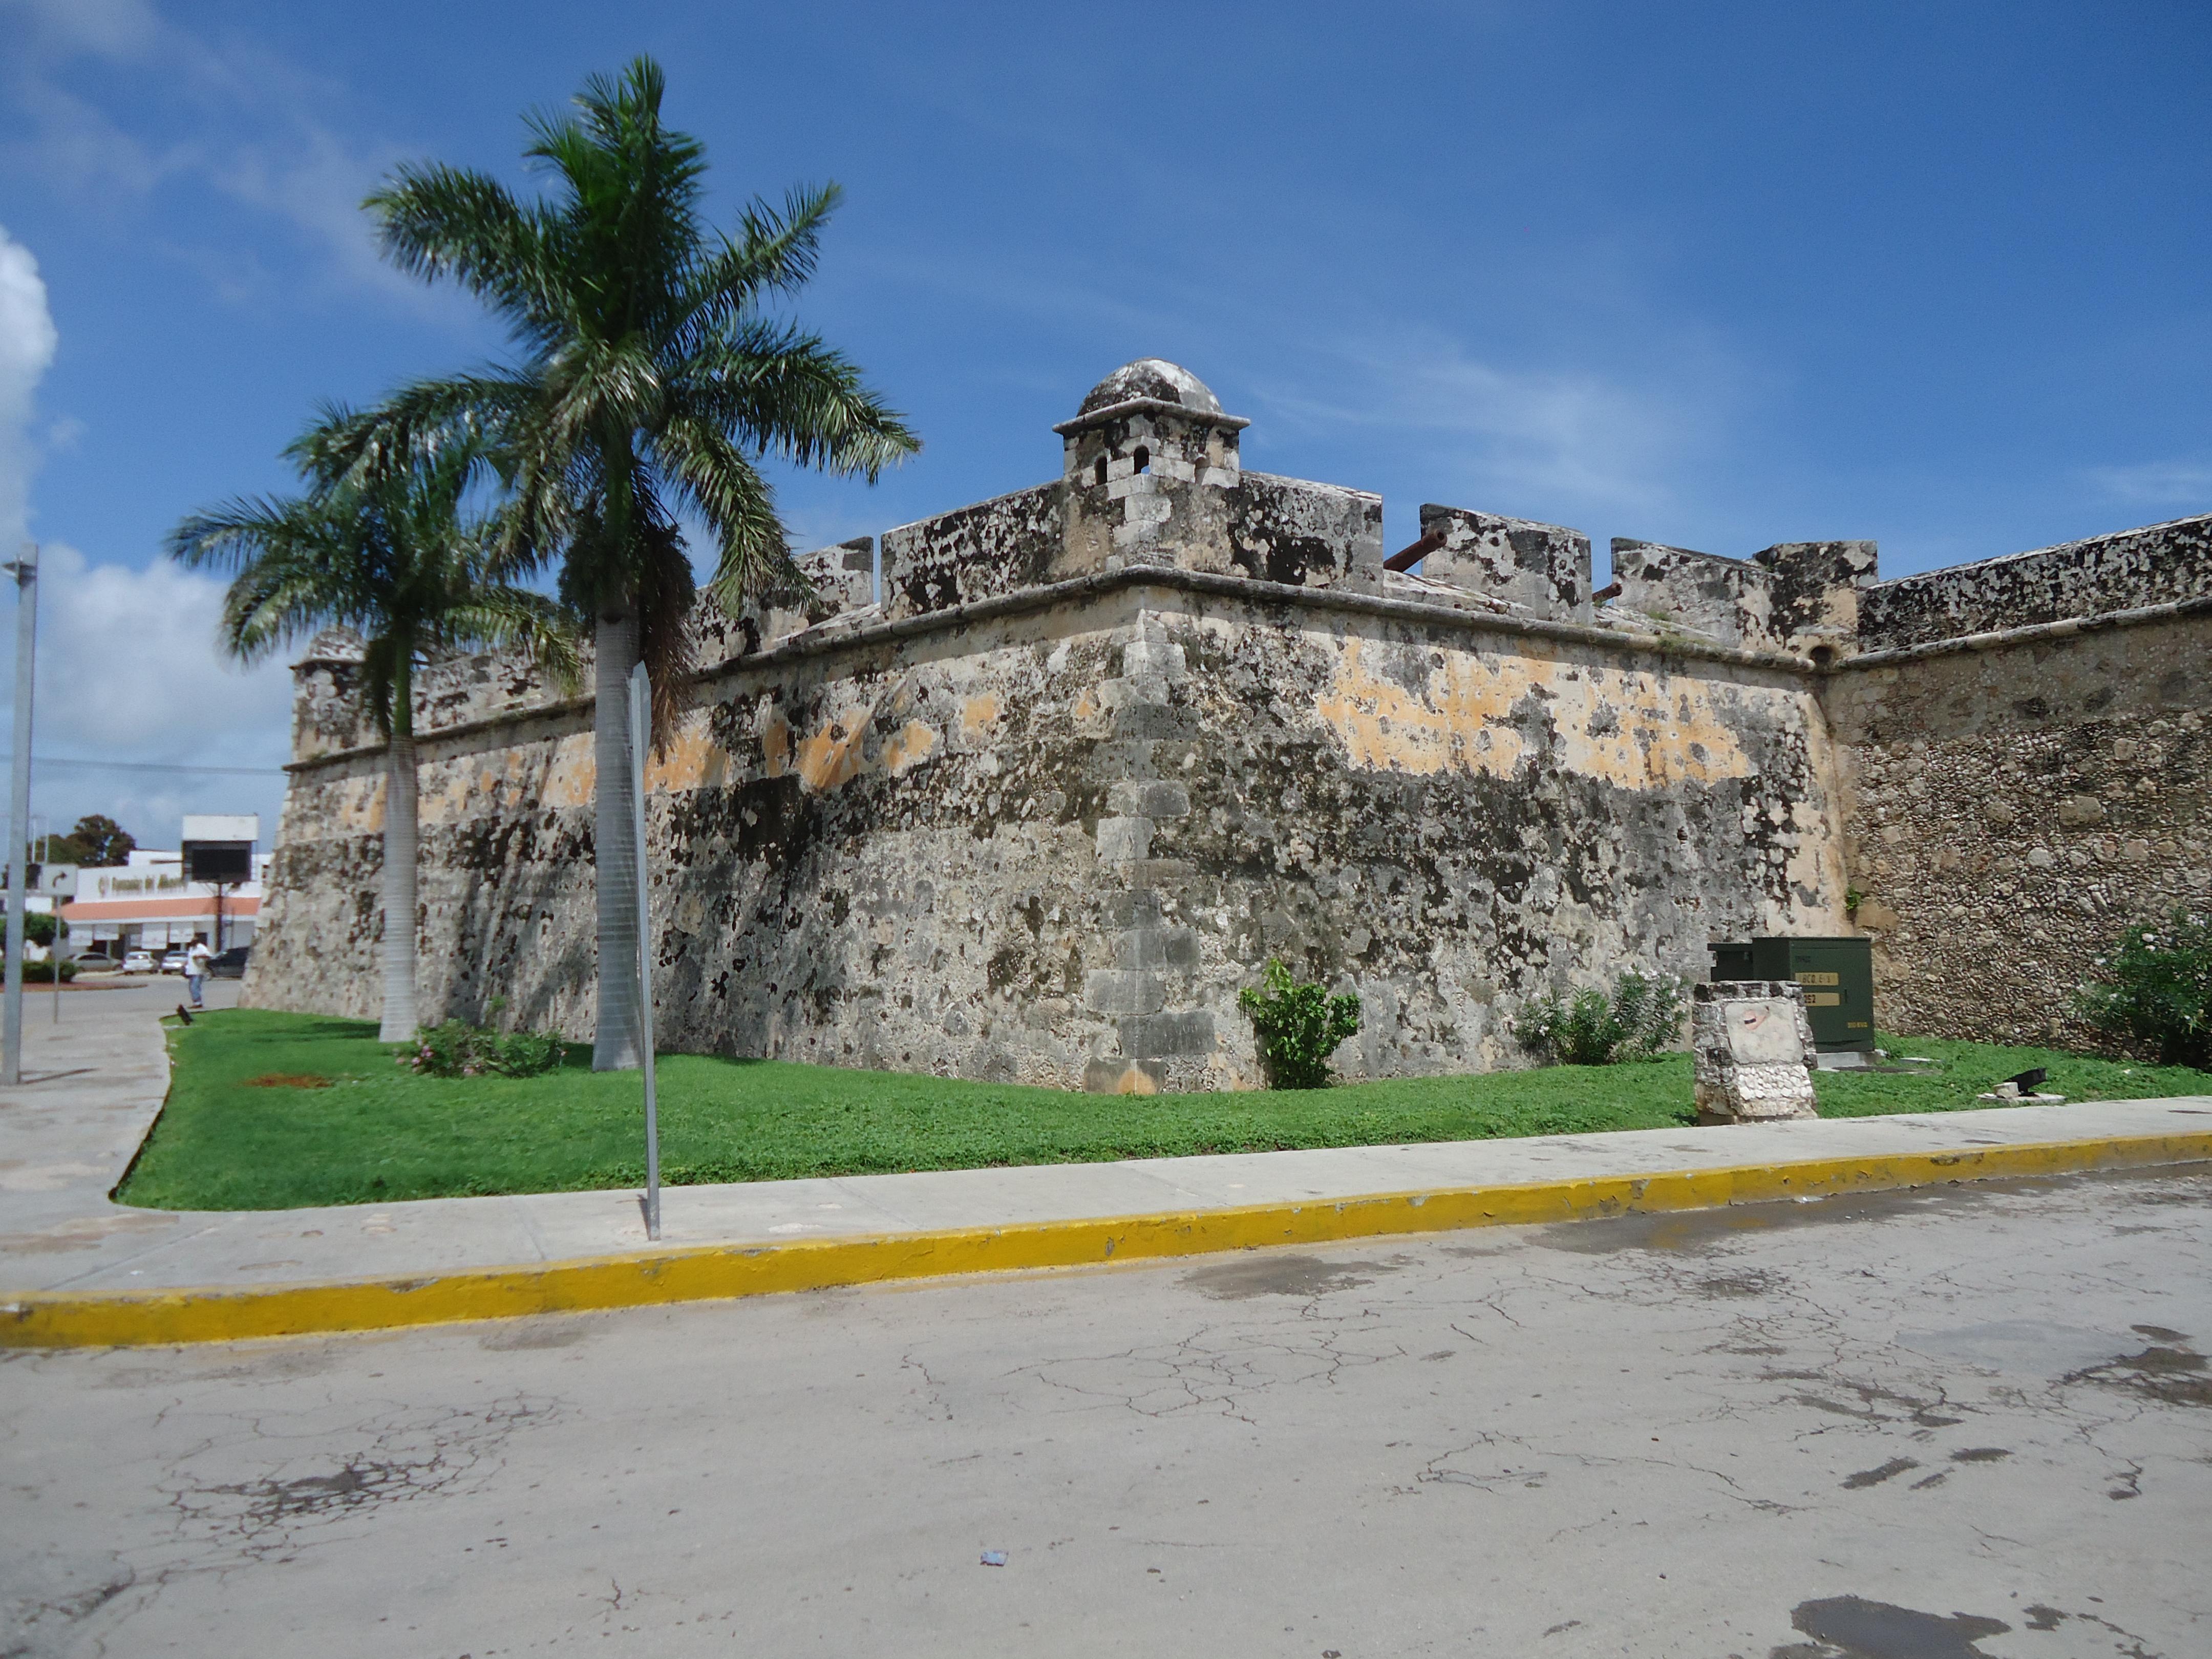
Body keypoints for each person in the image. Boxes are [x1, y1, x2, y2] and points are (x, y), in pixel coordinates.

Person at [184, 938, 212, 1010]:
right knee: (192, 988)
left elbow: (209, 956)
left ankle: (198, 1003)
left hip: (198, 971)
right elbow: (190, 958)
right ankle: (196, 1002)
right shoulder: (191, 948)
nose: (192, 943)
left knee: (195, 987)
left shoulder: (201, 947)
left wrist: (199, 956)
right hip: (191, 971)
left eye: (194, 941)